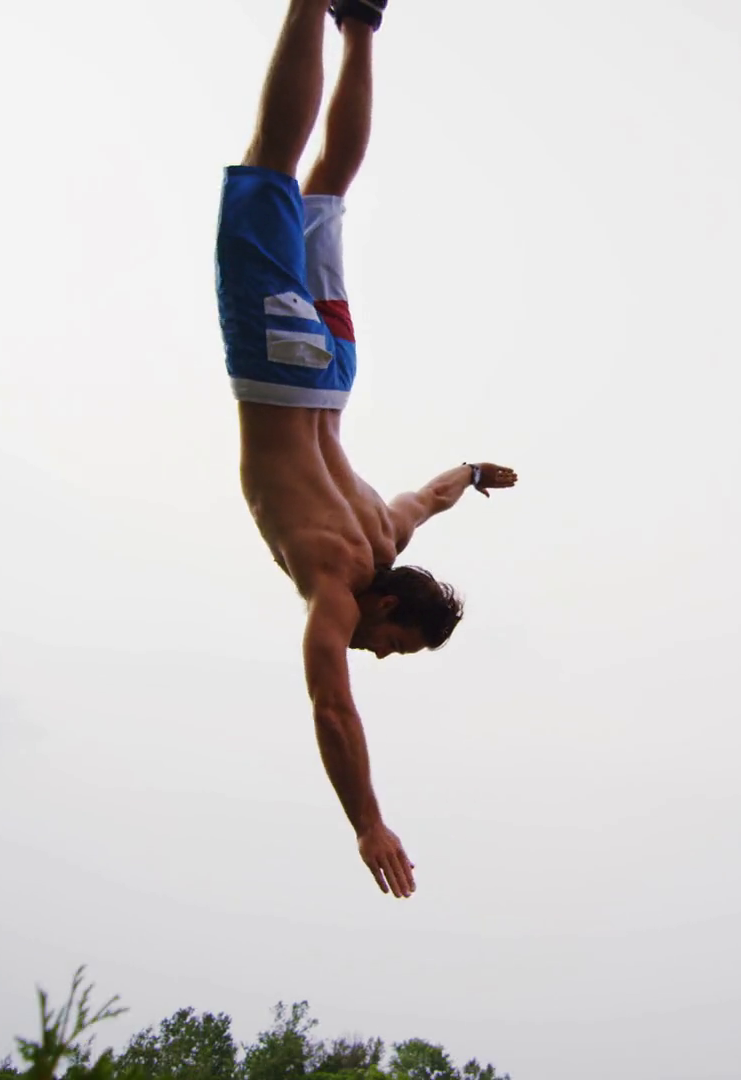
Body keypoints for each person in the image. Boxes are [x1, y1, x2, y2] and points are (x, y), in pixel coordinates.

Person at [214, 0, 518, 900]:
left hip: (335, 372)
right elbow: (332, 710)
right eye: (392, 643)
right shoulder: (337, 581)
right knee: (272, 164)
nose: (377, 654)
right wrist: (368, 822)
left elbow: (434, 494)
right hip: (280, 365)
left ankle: (357, 24)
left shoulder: (390, 529)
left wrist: (474, 471)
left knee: (324, 190)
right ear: (386, 604)